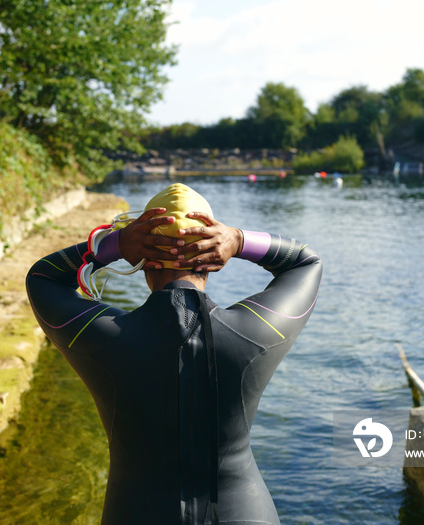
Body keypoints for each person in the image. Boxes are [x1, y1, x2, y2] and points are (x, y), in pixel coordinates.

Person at [26, 183, 322, 525]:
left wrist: (113, 246)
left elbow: (43, 278)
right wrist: (239, 241)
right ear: (212, 260)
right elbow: (305, 262)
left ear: (142, 263)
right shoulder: (252, 331)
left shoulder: (103, 336)